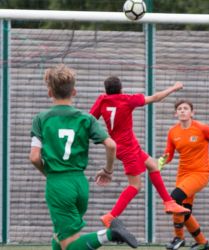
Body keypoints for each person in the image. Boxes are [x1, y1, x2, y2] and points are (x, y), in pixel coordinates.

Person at [29, 64, 138, 250]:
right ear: (74, 92)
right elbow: (111, 145)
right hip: (80, 183)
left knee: (69, 244)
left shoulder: (41, 118)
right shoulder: (86, 119)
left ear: (49, 92)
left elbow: (34, 157)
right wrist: (108, 170)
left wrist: (47, 172)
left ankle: (110, 234)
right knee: (60, 237)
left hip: (58, 183)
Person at [89, 76, 190, 228]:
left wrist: (102, 138)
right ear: (121, 88)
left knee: (153, 166)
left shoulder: (102, 100)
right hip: (127, 149)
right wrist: (173, 88)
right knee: (135, 186)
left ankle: (169, 202)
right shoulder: (128, 99)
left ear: (106, 90)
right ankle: (110, 216)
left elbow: (90, 120)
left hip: (128, 146)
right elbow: (155, 97)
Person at [158, 99, 209, 250]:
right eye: (179, 109)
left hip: (200, 174)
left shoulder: (202, 128)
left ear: (192, 113)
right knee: (185, 211)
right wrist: (160, 162)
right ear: (175, 113)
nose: (182, 111)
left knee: (175, 198)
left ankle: (178, 238)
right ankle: (202, 242)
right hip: (182, 174)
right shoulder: (173, 132)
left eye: (186, 108)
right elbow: (169, 154)